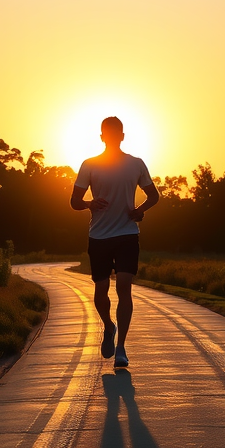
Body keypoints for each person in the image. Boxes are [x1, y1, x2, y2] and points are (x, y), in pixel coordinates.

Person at [70, 116, 160, 368]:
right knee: (100, 291)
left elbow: (153, 195)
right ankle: (109, 327)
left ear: (122, 136)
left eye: (116, 133)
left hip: (127, 233)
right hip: (98, 235)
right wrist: (89, 203)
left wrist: (139, 210)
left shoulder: (136, 164)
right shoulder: (89, 165)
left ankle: (121, 348)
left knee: (123, 286)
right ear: (102, 137)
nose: (111, 137)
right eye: (107, 134)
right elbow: (74, 202)